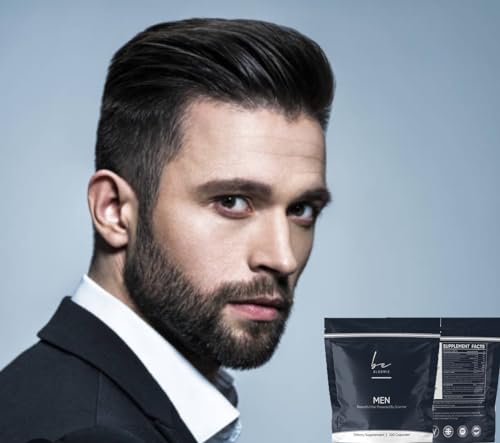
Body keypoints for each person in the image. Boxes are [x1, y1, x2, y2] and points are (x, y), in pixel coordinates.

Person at [0, 18, 334, 443]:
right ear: (114, 210)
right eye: (232, 202)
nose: (282, 257)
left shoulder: (58, 396)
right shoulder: (92, 434)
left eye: (301, 210)